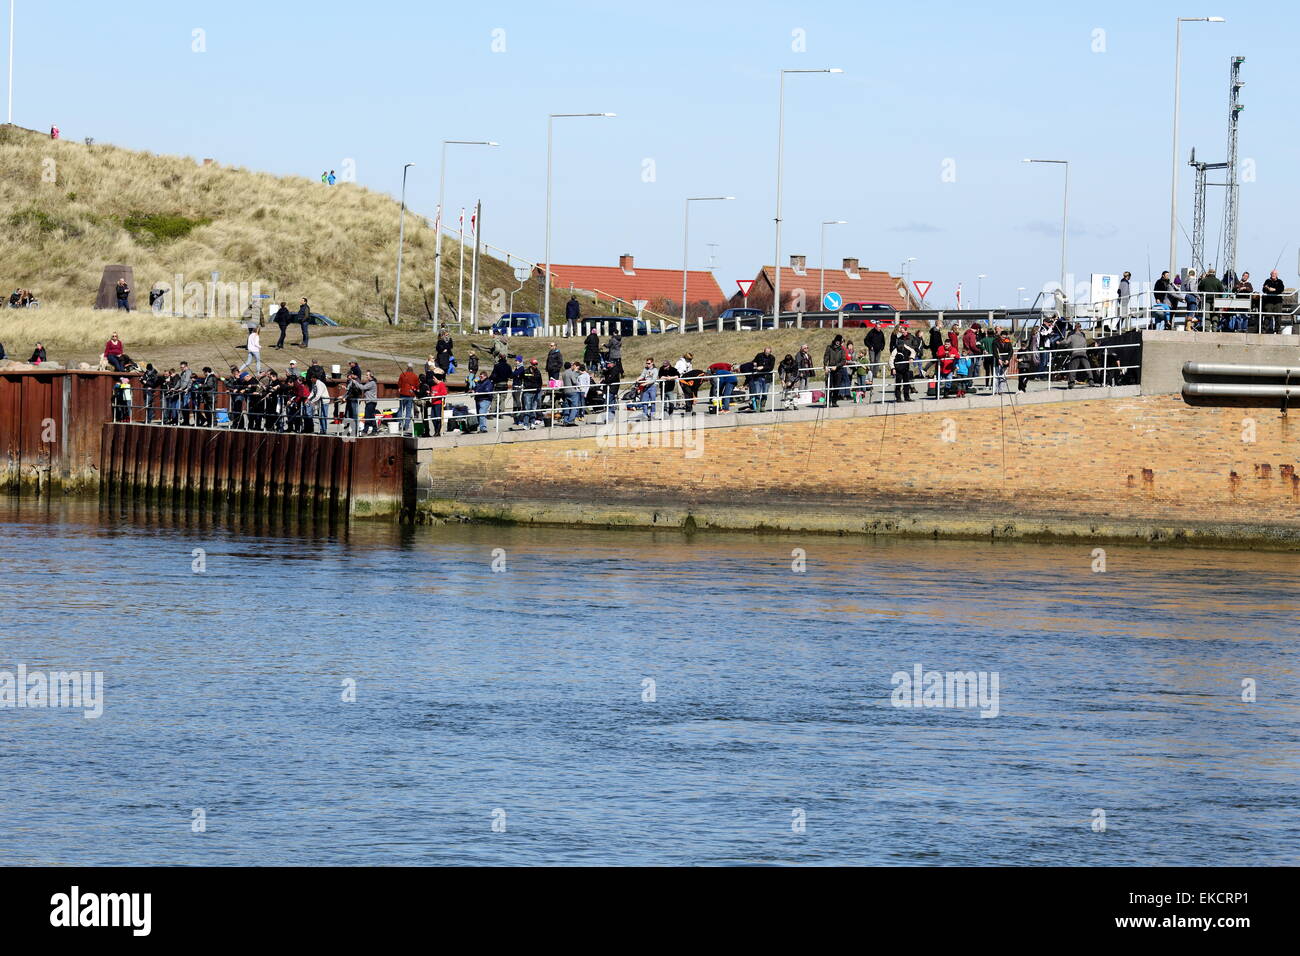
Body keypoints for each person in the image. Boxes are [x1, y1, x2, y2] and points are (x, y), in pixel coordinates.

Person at [518, 358, 543, 429]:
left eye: (536, 364)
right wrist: (521, 385)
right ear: (531, 364)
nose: (535, 366)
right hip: (527, 392)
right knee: (527, 408)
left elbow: (540, 382)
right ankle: (526, 424)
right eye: (534, 364)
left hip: (535, 393)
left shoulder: (538, 372)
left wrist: (539, 387)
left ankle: (532, 423)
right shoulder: (525, 371)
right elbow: (519, 378)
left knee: (533, 408)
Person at [823, 335, 847, 407]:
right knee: (829, 386)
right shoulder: (829, 347)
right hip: (830, 370)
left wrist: (837, 366)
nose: (838, 343)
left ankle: (834, 401)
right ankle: (828, 402)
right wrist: (825, 366)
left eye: (839, 341)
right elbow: (826, 357)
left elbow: (843, 361)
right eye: (837, 341)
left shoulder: (842, 349)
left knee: (836, 387)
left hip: (838, 370)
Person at [750, 346, 775, 411]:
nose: (766, 354)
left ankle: (762, 407)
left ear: (770, 352)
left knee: (765, 393)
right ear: (763, 351)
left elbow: (771, 367)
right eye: (765, 352)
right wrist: (754, 363)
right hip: (758, 377)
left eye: (767, 353)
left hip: (767, 378)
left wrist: (763, 367)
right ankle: (757, 407)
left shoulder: (772, 358)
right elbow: (753, 361)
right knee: (757, 393)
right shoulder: (759, 355)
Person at [892, 334, 915, 403]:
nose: (900, 347)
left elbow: (913, 351)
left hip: (906, 368)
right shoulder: (895, 350)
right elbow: (891, 360)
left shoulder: (906, 347)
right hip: (898, 370)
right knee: (898, 384)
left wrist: (911, 357)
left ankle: (907, 397)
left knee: (906, 384)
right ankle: (898, 398)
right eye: (899, 345)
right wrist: (893, 368)